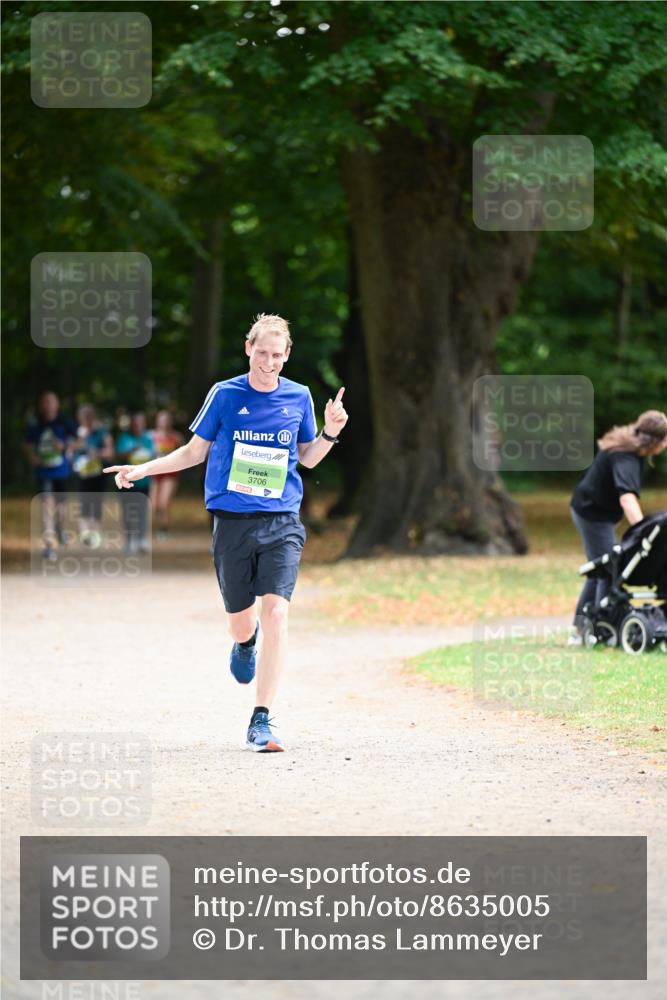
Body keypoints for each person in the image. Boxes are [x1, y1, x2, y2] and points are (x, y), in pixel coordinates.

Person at [104, 314, 348, 751]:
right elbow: (193, 452)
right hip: (232, 522)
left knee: (277, 613)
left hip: (282, 521)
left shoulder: (299, 396)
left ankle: (262, 719)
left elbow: (307, 458)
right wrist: (142, 469)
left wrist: (330, 431)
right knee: (241, 623)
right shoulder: (225, 394)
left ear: (287, 355)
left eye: (277, 355)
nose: (268, 362)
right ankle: (245, 642)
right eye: (262, 352)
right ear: (248, 348)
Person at [569, 409, 667, 644]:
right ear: (655, 440)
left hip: (598, 510)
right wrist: (644, 532)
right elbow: (627, 499)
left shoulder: (630, 444)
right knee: (608, 569)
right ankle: (601, 628)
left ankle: (581, 629)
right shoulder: (626, 457)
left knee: (600, 569)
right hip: (592, 514)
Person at [24, 391, 76, 561]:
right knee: (46, 505)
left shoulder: (65, 421)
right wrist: (32, 456)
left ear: (57, 404)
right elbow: (26, 444)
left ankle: (60, 528)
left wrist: (66, 446)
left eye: (51, 401)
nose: (48, 405)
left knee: (61, 506)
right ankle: (48, 545)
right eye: (45, 402)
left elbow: (77, 440)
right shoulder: (35, 423)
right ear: (41, 405)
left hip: (62, 471)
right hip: (43, 471)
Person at [72, 404, 114, 545]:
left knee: (96, 502)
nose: (87, 421)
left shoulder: (102, 431)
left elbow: (110, 451)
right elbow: (69, 450)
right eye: (84, 418)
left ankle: (96, 532)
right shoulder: (76, 432)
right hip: (82, 473)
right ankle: (85, 532)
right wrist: (81, 438)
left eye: (89, 418)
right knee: (83, 501)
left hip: (98, 473)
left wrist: (97, 453)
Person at [114, 412, 155, 554]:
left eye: (140, 423)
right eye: (135, 423)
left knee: (143, 511)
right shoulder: (124, 438)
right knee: (128, 512)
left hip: (144, 483)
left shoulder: (148, 438)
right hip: (126, 482)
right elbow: (118, 455)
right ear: (131, 424)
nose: (138, 425)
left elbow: (154, 456)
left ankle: (142, 540)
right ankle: (130, 540)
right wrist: (131, 451)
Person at [149, 410, 184, 540]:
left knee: (164, 502)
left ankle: (164, 529)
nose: (164, 422)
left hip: (170, 473)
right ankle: (161, 525)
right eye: (161, 419)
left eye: (166, 419)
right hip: (155, 472)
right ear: (157, 421)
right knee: (154, 505)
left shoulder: (176, 436)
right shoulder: (151, 436)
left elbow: (184, 453)